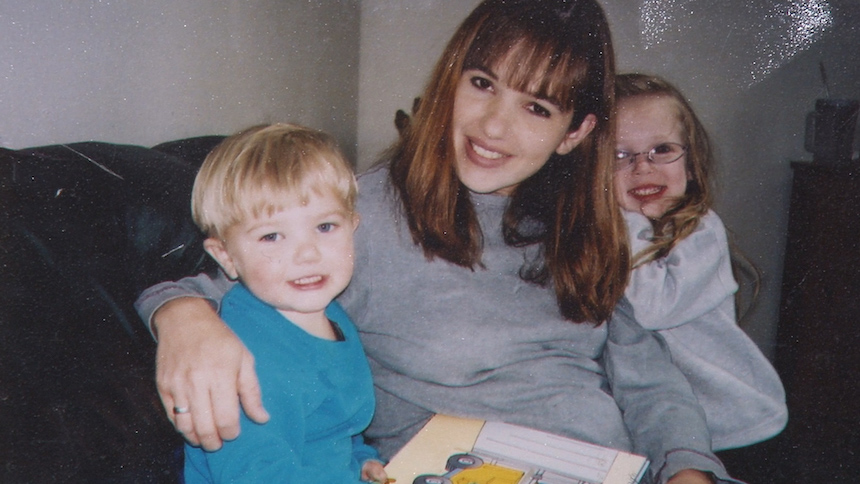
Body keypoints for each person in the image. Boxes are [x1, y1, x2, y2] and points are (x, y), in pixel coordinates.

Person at [136, 2, 744, 483]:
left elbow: (647, 376)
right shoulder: (359, 215)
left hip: (611, 467)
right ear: (451, 81)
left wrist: (688, 465)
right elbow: (241, 269)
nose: (493, 126)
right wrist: (180, 314)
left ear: (575, 133)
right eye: (482, 84)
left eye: (536, 107)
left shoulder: (588, 225)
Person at [179, 123, 388, 483]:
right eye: (272, 236)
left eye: (325, 227)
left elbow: (336, 428)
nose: (307, 253)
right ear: (226, 256)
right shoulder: (246, 358)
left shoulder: (329, 313)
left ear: (353, 226)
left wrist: (360, 459)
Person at [612, 73, 787, 452]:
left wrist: (624, 218)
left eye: (661, 149)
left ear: (691, 164)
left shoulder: (701, 230)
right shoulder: (610, 237)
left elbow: (649, 308)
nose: (643, 168)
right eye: (618, 155)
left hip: (733, 424)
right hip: (664, 425)